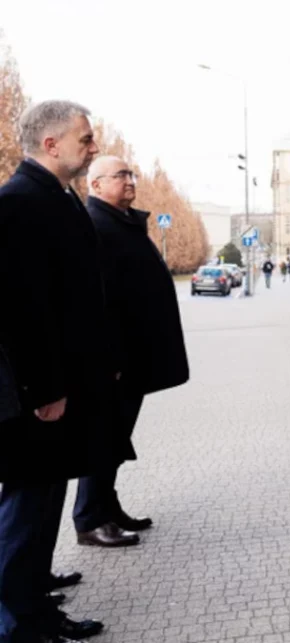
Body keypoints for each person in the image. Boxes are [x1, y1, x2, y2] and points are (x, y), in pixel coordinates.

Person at [0, 100, 113, 643]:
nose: (93, 147)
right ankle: (20, 623)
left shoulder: (56, 196)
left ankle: (34, 602)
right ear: (51, 145)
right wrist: (45, 388)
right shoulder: (19, 202)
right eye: (85, 139)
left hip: (62, 386)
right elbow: (23, 308)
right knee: (27, 506)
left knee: (43, 503)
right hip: (36, 394)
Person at [75, 156, 189, 547]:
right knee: (105, 438)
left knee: (116, 438)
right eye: (120, 175)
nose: (130, 181)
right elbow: (99, 300)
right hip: (116, 362)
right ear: (96, 184)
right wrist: (111, 359)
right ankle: (90, 519)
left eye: (130, 174)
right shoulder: (96, 224)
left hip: (133, 356)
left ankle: (108, 507)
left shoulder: (120, 221)